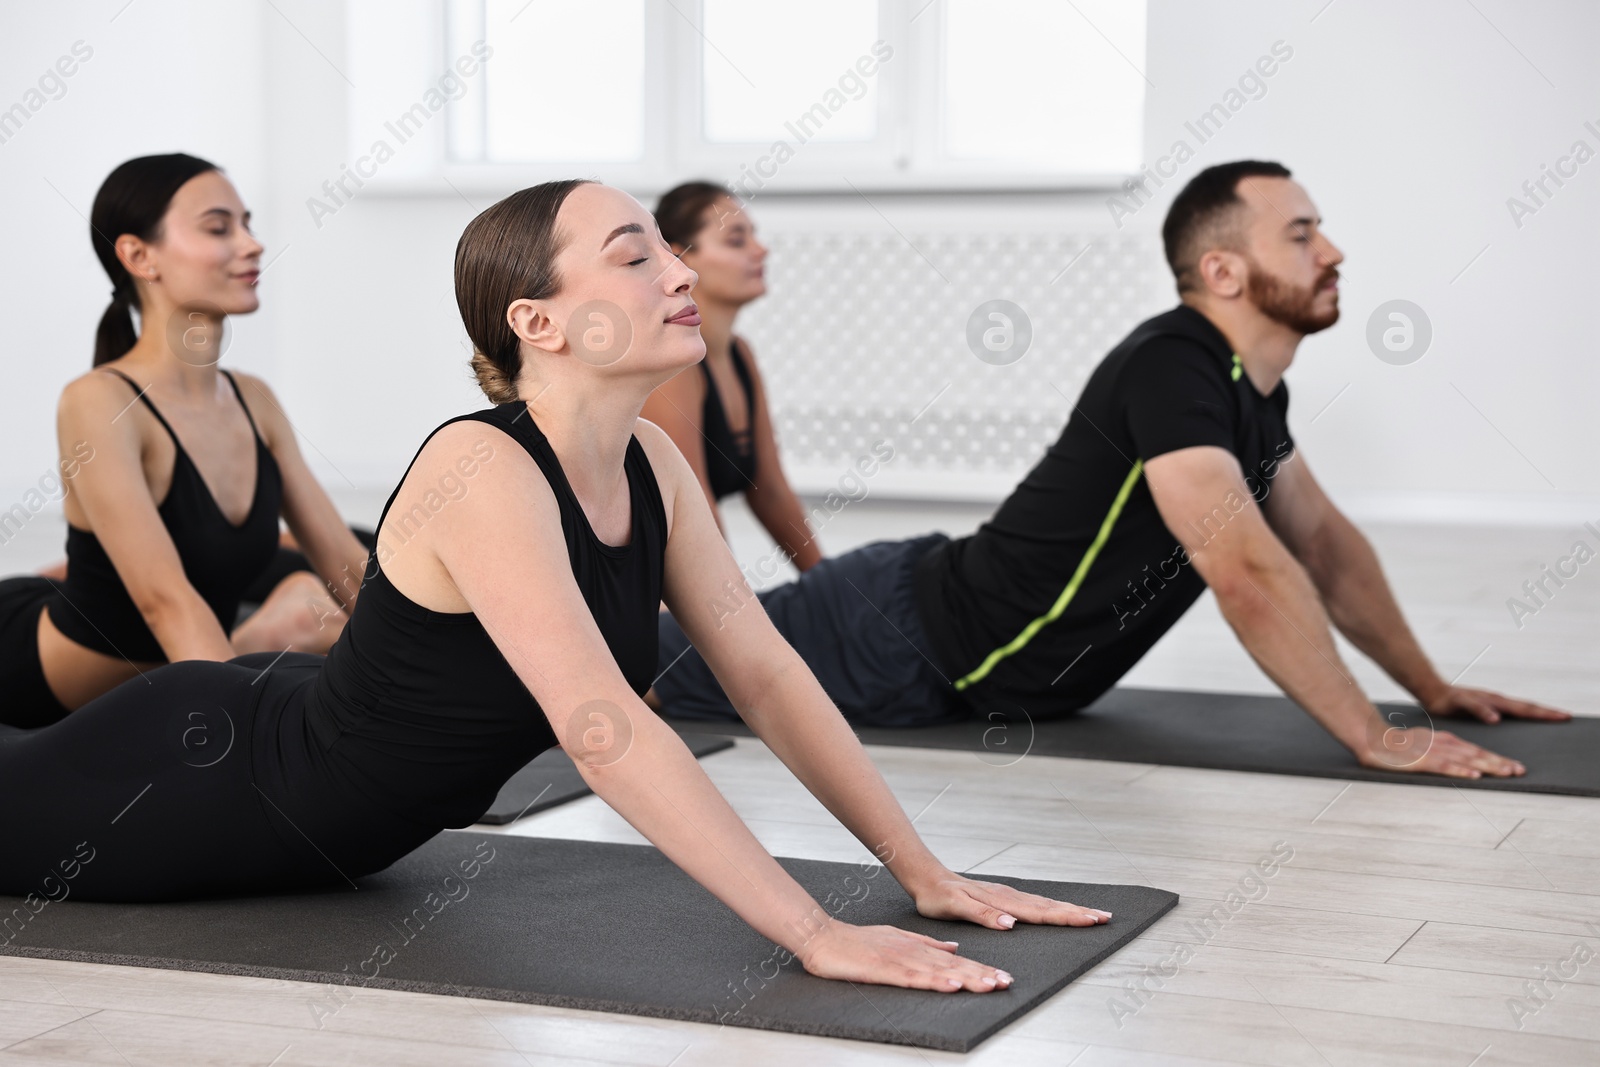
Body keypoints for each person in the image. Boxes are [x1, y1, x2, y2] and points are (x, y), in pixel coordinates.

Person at [0, 179, 1112, 994]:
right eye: (636, 256)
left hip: (329, 825)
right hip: (203, 774)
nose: (679, 274)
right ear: (536, 321)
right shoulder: (481, 467)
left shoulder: (653, 468)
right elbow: (603, 729)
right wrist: (812, 930)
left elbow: (768, 675)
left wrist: (920, 868)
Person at [650, 160, 1574, 778]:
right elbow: (1246, 570)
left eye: (1321, 231)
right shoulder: (1172, 366)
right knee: (637, 675)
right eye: (1300, 234)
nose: (1332, 252)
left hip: (916, 618)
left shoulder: (1243, 390)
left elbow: (1323, 547)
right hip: (905, 640)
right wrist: (1373, 736)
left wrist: (1429, 686)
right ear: (1221, 270)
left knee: (647, 662)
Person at [0, 154, 370, 729]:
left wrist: (441, 675)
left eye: (246, 224)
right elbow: (165, 603)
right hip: (26, 667)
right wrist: (240, 736)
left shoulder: (254, 398)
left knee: (368, 548)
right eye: (219, 228)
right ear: (138, 255)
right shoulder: (98, 400)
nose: (251, 245)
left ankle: (265, 629)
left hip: (173, 652)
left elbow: (345, 563)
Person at [641, 182, 821, 572]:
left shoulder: (740, 353)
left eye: (754, 235)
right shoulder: (676, 365)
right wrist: (737, 619)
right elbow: (695, 513)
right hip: (646, 592)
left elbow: (769, 491)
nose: (761, 249)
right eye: (737, 240)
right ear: (679, 257)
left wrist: (832, 589)